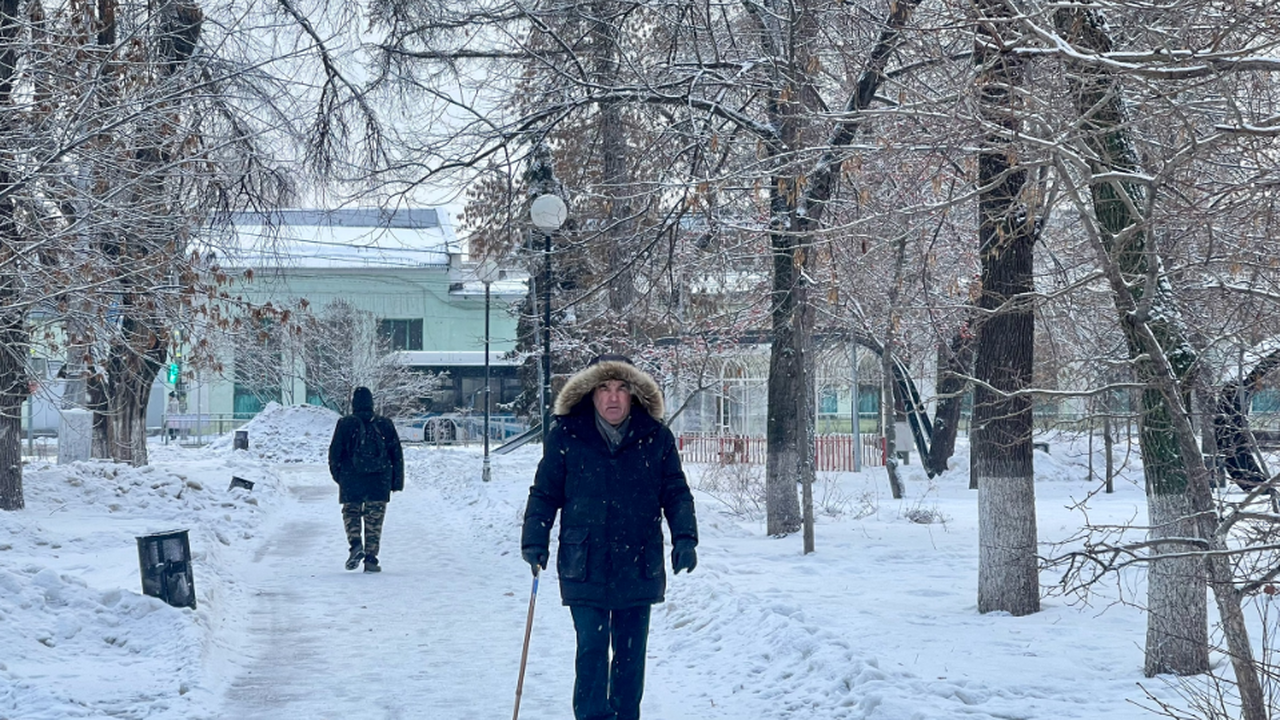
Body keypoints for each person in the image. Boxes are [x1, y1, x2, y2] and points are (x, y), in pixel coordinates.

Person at [521, 354, 698, 720]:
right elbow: (545, 492)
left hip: (638, 563)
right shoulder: (568, 436)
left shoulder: (656, 438)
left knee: (631, 656)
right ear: (591, 393)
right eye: (604, 388)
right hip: (584, 562)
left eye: (622, 388)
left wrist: (685, 538)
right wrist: (535, 538)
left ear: (634, 395)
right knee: (592, 648)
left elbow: (676, 492)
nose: (613, 397)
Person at [328, 386, 404, 573]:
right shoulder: (384, 424)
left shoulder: (345, 424)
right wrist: (396, 482)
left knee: (351, 513)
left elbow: (334, 453)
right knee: (374, 520)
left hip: (351, 478)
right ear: (372, 403)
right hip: (379, 480)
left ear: (354, 404)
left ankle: (355, 545)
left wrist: (340, 477)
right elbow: (396, 454)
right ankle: (371, 558)